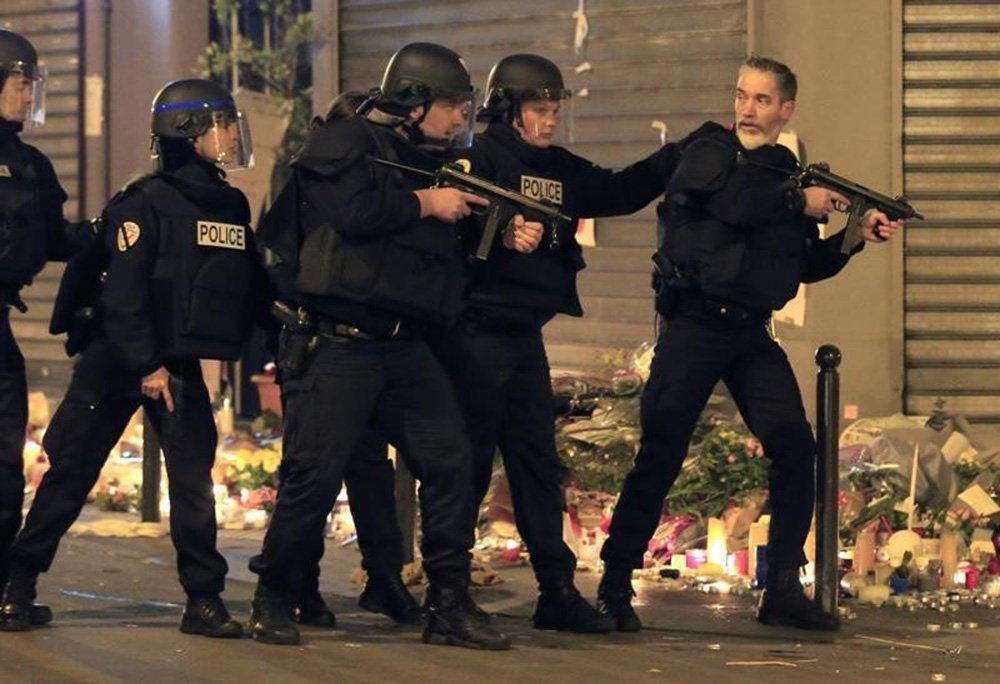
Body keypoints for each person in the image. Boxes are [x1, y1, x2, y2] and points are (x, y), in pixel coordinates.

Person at [596, 55, 903, 632]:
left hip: (748, 331)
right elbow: (729, 204)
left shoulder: (785, 171)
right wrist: (797, 202)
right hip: (692, 326)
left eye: (762, 100)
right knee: (659, 452)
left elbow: (801, 264)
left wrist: (852, 237)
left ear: (786, 109)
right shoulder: (708, 151)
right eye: (742, 95)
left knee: (794, 447)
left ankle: (783, 585)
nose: (748, 109)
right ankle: (614, 584)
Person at [249, 42, 519, 650]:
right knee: (312, 478)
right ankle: (274, 593)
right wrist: (428, 202)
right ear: (415, 100)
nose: (458, 120)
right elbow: (352, 211)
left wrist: (499, 230)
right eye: (450, 106)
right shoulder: (348, 142)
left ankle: (448, 603)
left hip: (402, 348)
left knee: (450, 460)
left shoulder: (420, 161)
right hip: (339, 346)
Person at [0, 78, 266, 638]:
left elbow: (244, 285)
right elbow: (122, 296)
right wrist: (147, 365)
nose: (227, 136)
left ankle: (204, 601)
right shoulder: (143, 202)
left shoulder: (229, 202)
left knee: (193, 483)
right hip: (120, 359)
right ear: (190, 132)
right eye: (219, 124)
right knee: (71, 473)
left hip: (179, 363)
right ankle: (17, 587)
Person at [430, 53, 678, 633]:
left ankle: (556, 590)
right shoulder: (476, 160)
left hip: (523, 338)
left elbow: (616, 192)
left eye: (555, 109)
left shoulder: (559, 168)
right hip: (475, 336)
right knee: (465, 468)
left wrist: (673, 159)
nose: (550, 121)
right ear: (510, 110)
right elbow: (445, 226)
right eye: (540, 110)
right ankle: (446, 591)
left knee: (536, 464)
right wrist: (495, 230)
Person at [287, 90, 422, 630]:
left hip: (365, 346)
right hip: (321, 345)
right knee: (314, 476)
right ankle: (298, 586)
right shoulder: (322, 178)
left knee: (369, 471)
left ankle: (384, 579)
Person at [0, 27, 96, 628]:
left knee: (6, 457)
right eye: (20, 82)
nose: (29, 94)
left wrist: (111, 232)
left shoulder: (31, 162)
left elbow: (54, 236)